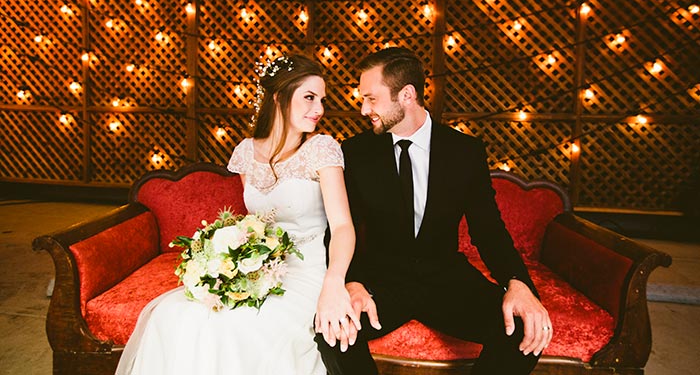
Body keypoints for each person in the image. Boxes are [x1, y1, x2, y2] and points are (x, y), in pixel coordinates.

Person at [315, 47, 553, 375]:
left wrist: (518, 282)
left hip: (445, 279)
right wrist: (352, 282)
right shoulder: (355, 152)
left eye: (371, 98)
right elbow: (344, 226)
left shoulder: (465, 152)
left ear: (407, 95)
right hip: (381, 281)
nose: (363, 109)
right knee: (330, 333)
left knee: (524, 329)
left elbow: (488, 229)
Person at [116, 54, 359, 375]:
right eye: (309, 97)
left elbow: (342, 226)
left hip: (308, 273)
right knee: (174, 315)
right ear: (278, 98)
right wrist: (226, 265)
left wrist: (334, 283)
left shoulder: (322, 149)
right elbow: (251, 225)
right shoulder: (246, 152)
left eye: (322, 100)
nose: (319, 109)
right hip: (260, 270)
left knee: (242, 327)